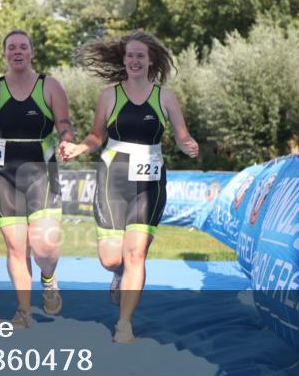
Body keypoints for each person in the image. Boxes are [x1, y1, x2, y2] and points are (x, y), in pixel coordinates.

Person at [59, 30, 199, 343]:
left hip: (150, 181)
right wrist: (79, 149)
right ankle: (118, 274)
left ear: (150, 61)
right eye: (130, 55)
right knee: (111, 258)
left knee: (136, 254)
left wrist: (187, 143)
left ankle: (124, 323)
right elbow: (96, 136)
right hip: (114, 176)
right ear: (124, 60)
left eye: (140, 55)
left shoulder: (165, 96)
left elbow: (180, 134)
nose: (135, 60)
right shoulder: (110, 95)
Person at [0, 30, 75, 328]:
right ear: (4, 54)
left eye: (23, 47)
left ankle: (49, 277)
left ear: (31, 53)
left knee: (44, 247)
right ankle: (23, 310)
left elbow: (65, 124)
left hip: (41, 172)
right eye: (11, 47)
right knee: (17, 247)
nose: (17, 51)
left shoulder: (49, 86)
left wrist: (67, 140)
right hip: (2, 173)